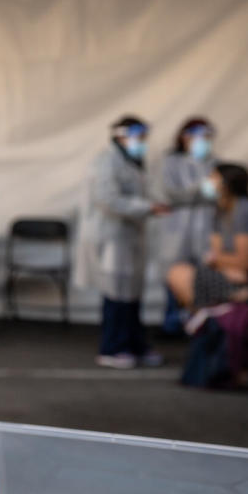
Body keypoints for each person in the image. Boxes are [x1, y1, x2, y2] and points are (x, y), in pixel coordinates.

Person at [74, 116, 170, 370]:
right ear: (120, 135)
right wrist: (148, 207)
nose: (142, 142)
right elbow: (108, 199)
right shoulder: (106, 161)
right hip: (110, 236)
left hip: (128, 235)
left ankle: (134, 343)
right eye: (137, 136)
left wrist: (153, 204)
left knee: (131, 292)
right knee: (116, 292)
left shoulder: (133, 162)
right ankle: (112, 347)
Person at [168, 163, 248, 313]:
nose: (207, 181)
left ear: (226, 184)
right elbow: (216, 255)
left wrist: (221, 262)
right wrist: (225, 267)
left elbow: (245, 262)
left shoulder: (246, 211)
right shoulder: (221, 212)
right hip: (240, 276)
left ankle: (211, 326)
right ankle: (210, 326)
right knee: (180, 272)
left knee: (181, 275)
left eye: (213, 178)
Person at [155, 118, 217, 335]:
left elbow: (220, 195)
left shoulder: (215, 163)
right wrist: (199, 190)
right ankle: (172, 323)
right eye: (197, 136)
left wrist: (206, 193)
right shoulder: (170, 162)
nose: (203, 142)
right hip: (177, 228)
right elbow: (170, 193)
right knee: (174, 275)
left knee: (204, 274)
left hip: (206, 228)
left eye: (206, 137)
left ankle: (198, 321)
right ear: (184, 136)